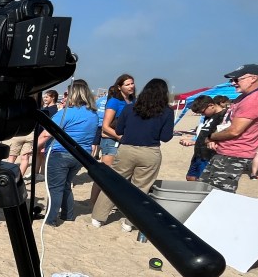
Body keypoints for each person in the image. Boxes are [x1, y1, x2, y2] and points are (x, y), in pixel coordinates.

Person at [92, 78, 174, 230]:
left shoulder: (130, 108)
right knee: (141, 189)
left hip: (127, 149)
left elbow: (119, 130)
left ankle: (98, 217)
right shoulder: (167, 111)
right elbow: (166, 137)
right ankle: (129, 223)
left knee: (114, 183)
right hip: (150, 151)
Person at [200, 64, 258, 194]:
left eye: (236, 79)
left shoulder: (255, 100)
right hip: (224, 151)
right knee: (204, 188)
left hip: (234, 154)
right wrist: (216, 138)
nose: (233, 83)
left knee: (218, 194)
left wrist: (211, 137)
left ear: (253, 78)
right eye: (231, 80)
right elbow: (228, 123)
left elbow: (234, 130)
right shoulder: (244, 96)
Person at [36, 79, 99, 226]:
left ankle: (50, 219)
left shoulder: (66, 113)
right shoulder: (93, 114)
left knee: (55, 188)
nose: (65, 96)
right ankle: (68, 215)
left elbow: (46, 134)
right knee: (66, 185)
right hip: (80, 156)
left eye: (66, 94)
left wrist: (32, 149)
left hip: (60, 154)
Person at [91, 74, 136, 203]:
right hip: (111, 141)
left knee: (121, 175)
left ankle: (112, 202)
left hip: (126, 142)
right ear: (119, 87)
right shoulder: (114, 102)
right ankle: (93, 202)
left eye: (132, 83)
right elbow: (105, 127)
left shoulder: (133, 101)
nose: (131, 86)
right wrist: (120, 137)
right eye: (127, 84)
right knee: (105, 174)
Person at [179, 95, 226, 181]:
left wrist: (214, 141)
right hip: (198, 153)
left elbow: (225, 133)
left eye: (203, 112)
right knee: (190, 177)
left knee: (202, 180)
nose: (202, 115)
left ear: (211, 105)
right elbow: (204, 133)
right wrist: (193, 142)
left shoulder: (224, 116)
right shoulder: (208, 116)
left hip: (209, 156)